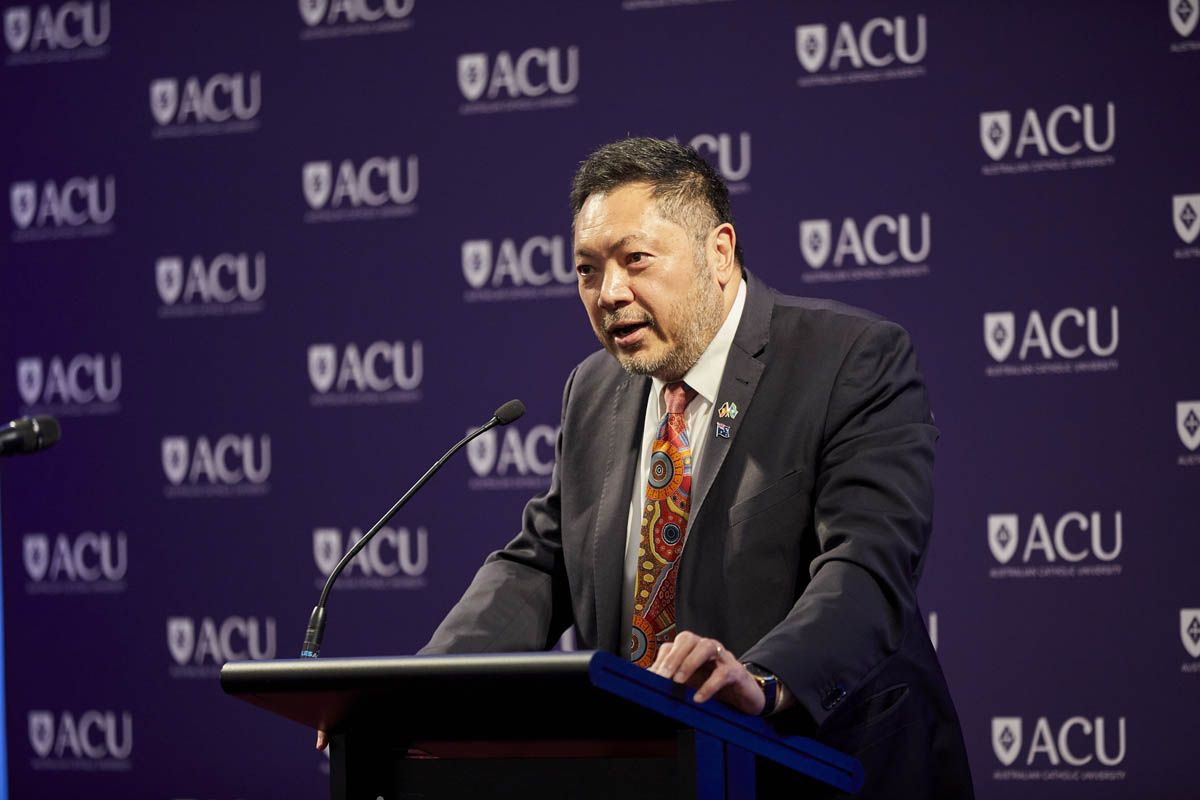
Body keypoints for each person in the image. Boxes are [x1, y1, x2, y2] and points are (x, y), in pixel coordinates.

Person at [322, 137, 974, 797]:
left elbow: (867, 565)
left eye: (635, 260)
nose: (609, 292)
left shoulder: (850, 359)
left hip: (826, 763)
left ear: (719, 252)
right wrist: (421, 687)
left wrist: (764, 678)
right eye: (587, 270)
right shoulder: (594, 388)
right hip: (659, 771)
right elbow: (542, 565)